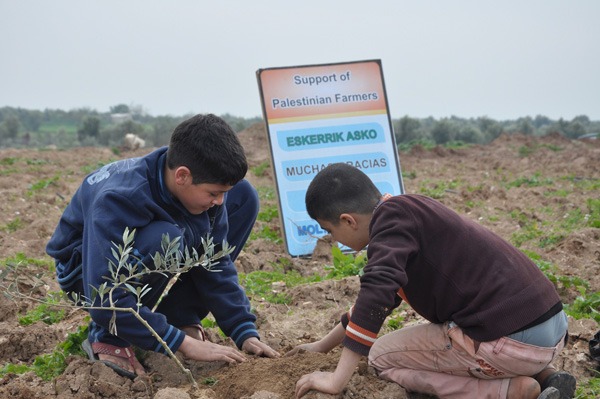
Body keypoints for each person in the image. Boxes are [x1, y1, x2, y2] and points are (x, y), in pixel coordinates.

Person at [291, 162, 576, 399]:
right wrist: (322, 345)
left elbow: (375, 295)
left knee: (380, 357)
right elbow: (386, 298)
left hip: (506, 342)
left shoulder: (389, 226)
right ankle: (546, 376)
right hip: (550, 332)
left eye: (330, 230)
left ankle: (507, 391)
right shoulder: (409, 210)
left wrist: (336, 381)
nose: (332, 239)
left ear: (348, 220)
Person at [47, 114, 279, 378]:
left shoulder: (195, 187)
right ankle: (110, 336)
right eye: (214, 193)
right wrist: (184, 344)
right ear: (182, 176)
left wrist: (243, 330)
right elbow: (103, 294)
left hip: (158, 239)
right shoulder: (119, 199)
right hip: (86, 273)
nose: (219, 201)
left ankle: (180, 316)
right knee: (164, 238)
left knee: (244, 197)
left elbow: (214, 262)